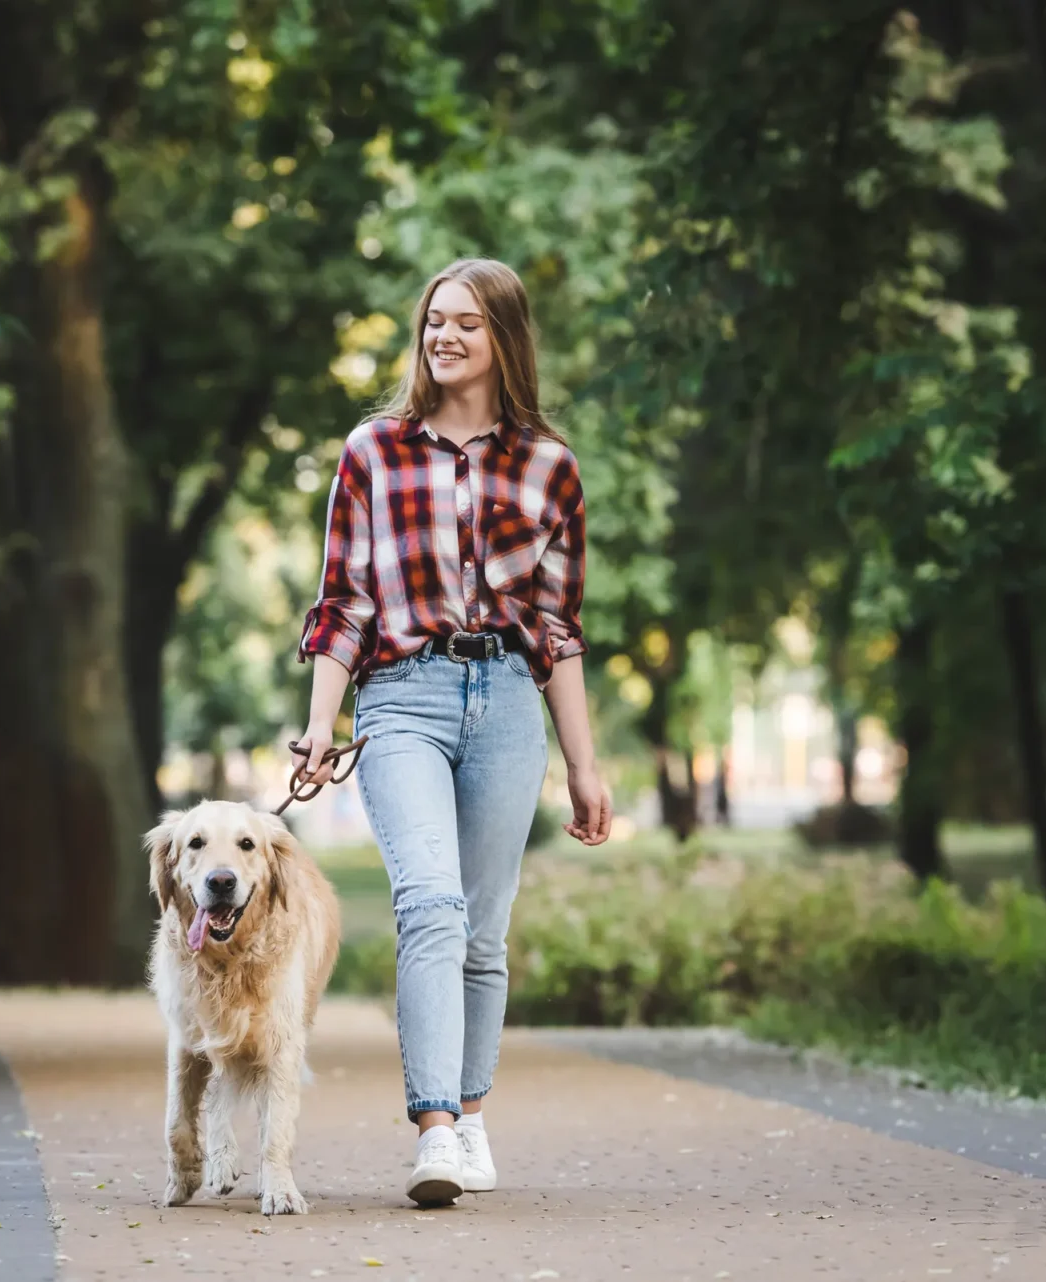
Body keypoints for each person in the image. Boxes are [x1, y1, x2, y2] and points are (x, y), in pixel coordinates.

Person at [295, 257, 614, 1207]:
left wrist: (586, 767)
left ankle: (472, 1115)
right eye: (436, 320)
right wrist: (321, 724)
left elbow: (558, 630)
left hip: (510, 700)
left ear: (504, 337)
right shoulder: (373, 451)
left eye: (468, 323)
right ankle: (434, 1127)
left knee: (484, 929)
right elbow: (343, 602)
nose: (445, 336)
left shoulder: (550, 467)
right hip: (401, 697)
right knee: (429, 904)